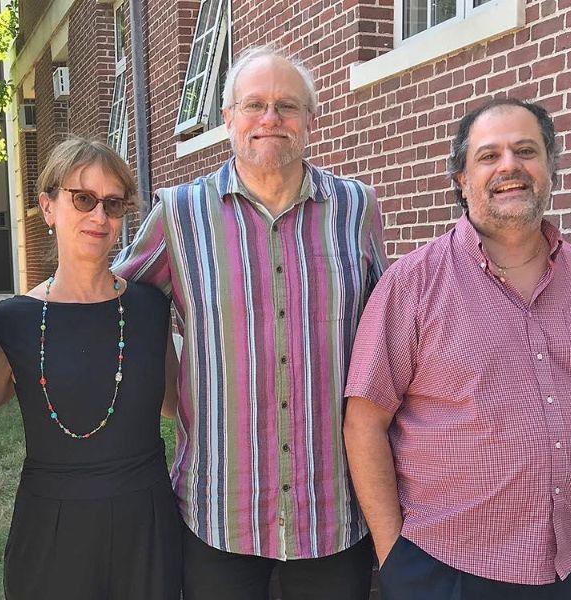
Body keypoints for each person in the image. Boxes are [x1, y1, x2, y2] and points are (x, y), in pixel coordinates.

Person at [113, 46, 388, 599]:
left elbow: (387, 333)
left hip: (332, 511)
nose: (270, 119)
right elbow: (117, 304)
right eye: (254, 105)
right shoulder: (180, 213)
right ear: (228, 119)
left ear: (311, 120)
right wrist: (167, 390)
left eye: (287, 106)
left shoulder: (357, 208)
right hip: (219, 511)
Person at [344, 97, 571, 599]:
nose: (510, 166)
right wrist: (394, 558)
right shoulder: (413, 283)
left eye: (525, 151)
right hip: (449, 569)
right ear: (461, 180)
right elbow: (365, 420)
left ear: (551, 167)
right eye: (489, 156)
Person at [0, 137, 182, 599]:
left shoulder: (149, 307)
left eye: (113, 203)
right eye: (83, 198)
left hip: (145, 522)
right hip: (52, 528)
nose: (99, 216)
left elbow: (174, 404)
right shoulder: (14, 321)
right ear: (48, 207)